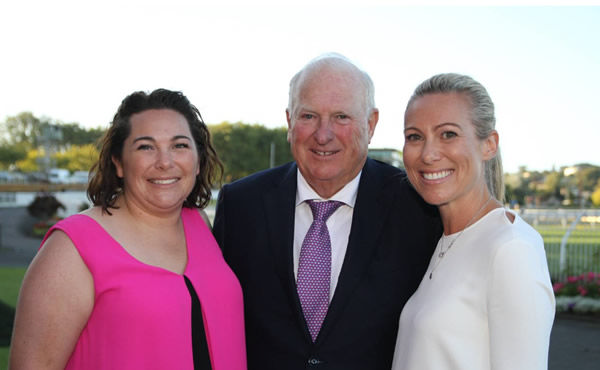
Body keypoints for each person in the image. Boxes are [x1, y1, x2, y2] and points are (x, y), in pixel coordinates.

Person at [212, 53, 441, 370]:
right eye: (308, 116)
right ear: (290, 121)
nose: (323, 134)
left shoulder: (419, 209)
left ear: (371, 124)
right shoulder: (240, 205)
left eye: (341, 117)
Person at [9, 89, 246, 369]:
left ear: (197, 160)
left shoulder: (199, 225)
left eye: (179, 145)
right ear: (119, 163)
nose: (165, 162)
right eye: (146, 147)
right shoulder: (72, 247)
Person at [391, 73, 555, 370]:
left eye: (448, 134)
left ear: (489, 144)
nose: (428, 154)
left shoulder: (511, 248)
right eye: (415, 136)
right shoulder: (446, 241)